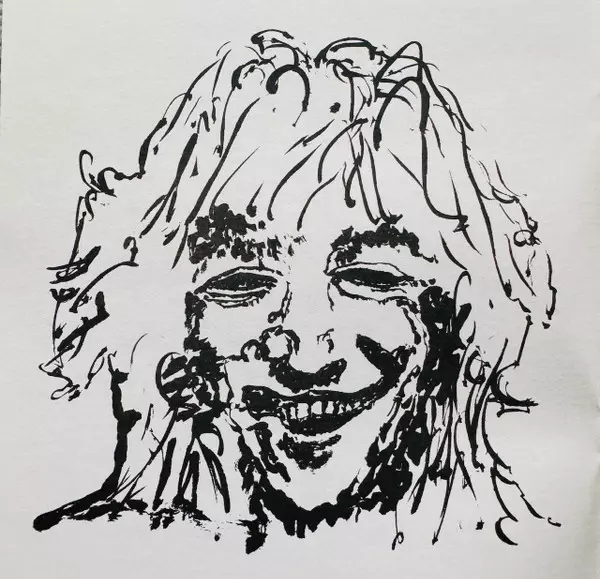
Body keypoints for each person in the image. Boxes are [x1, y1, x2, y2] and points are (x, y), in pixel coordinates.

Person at [35, 30, 557, 552]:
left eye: (371, 280)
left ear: (460, 312)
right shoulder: (86, 554)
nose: (307, 358)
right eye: (241, 284)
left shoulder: (528, 558)